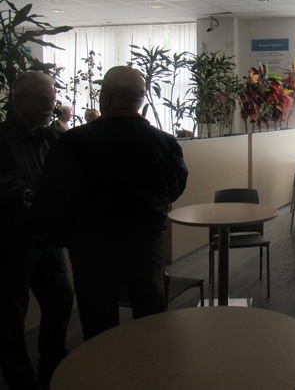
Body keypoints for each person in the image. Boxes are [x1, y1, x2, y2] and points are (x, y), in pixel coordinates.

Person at [34, 66, 188, 340]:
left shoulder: (73, 143)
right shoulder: (165, 143)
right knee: (150, 314)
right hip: (146, 245)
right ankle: (154, 362)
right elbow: (175, 189)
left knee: (98, 322)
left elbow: (54, 196)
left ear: (105, 98)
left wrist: (61, 237)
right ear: (140, 100)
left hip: (91, 250)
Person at [0, 71, 74, 390]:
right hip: (10, 244)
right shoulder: (2, 138)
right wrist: (22, 193)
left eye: (52, 100)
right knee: (10, 317)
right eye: (43, 101)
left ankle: (52, 367)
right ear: (18, 101)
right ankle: (20, 381)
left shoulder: (49, 138)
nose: (50, 107)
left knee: (60, 301)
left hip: (46, 238)